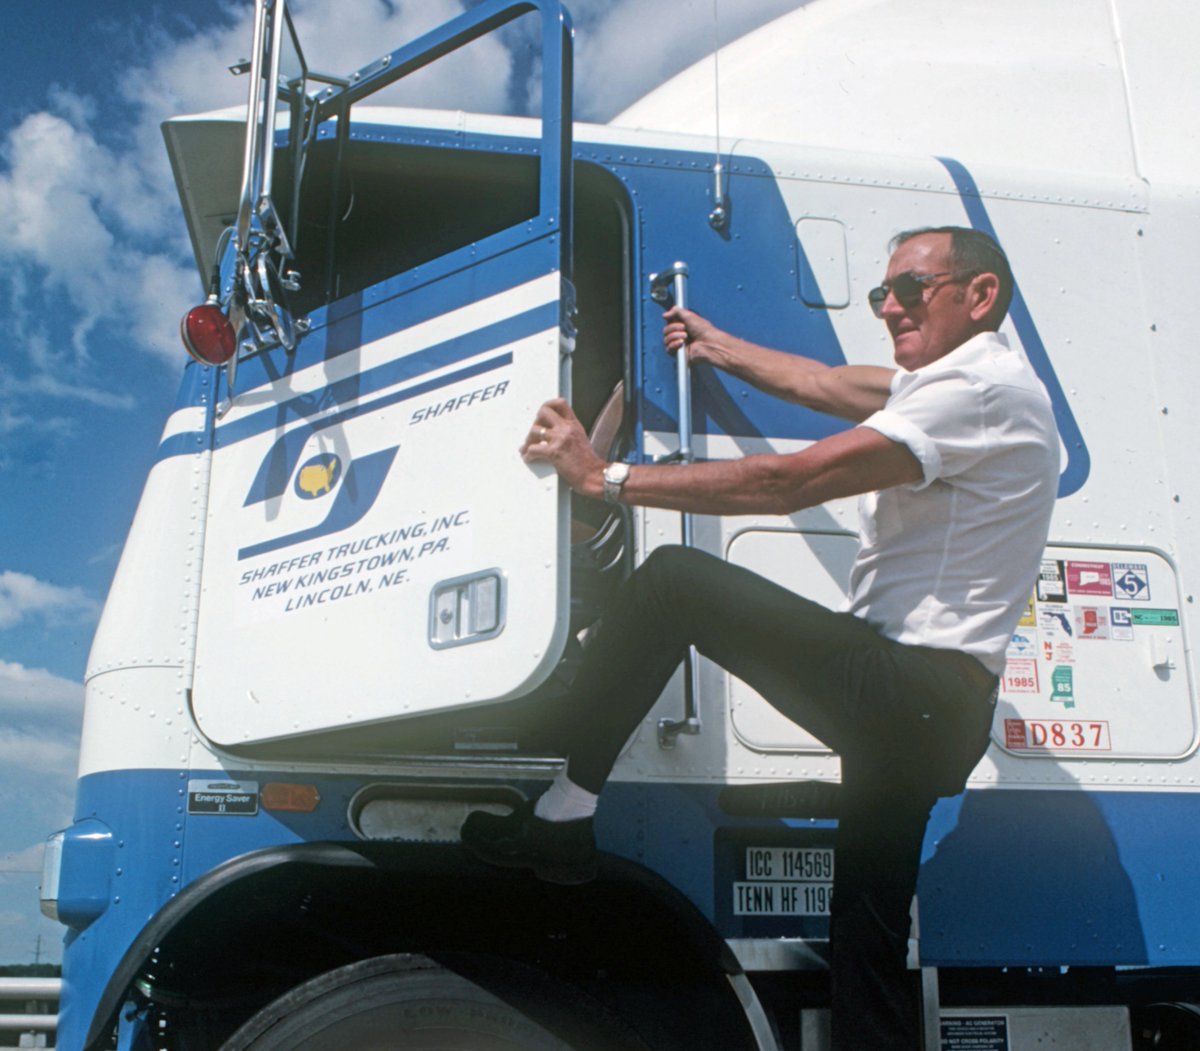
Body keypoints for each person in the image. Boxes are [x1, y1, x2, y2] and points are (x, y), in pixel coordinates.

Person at [462, 226, 1059, 1049]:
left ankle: (563, 811)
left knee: (676, 583)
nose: (889, 307)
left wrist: (604, 479)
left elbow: (791, 480)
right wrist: (721, 347)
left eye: (910, 291)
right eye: (882, 293)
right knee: (866, 939)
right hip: (934, 715)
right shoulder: (955, 383)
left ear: (980, 295)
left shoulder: (979, 392)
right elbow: (824, 381)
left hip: (910, 688)